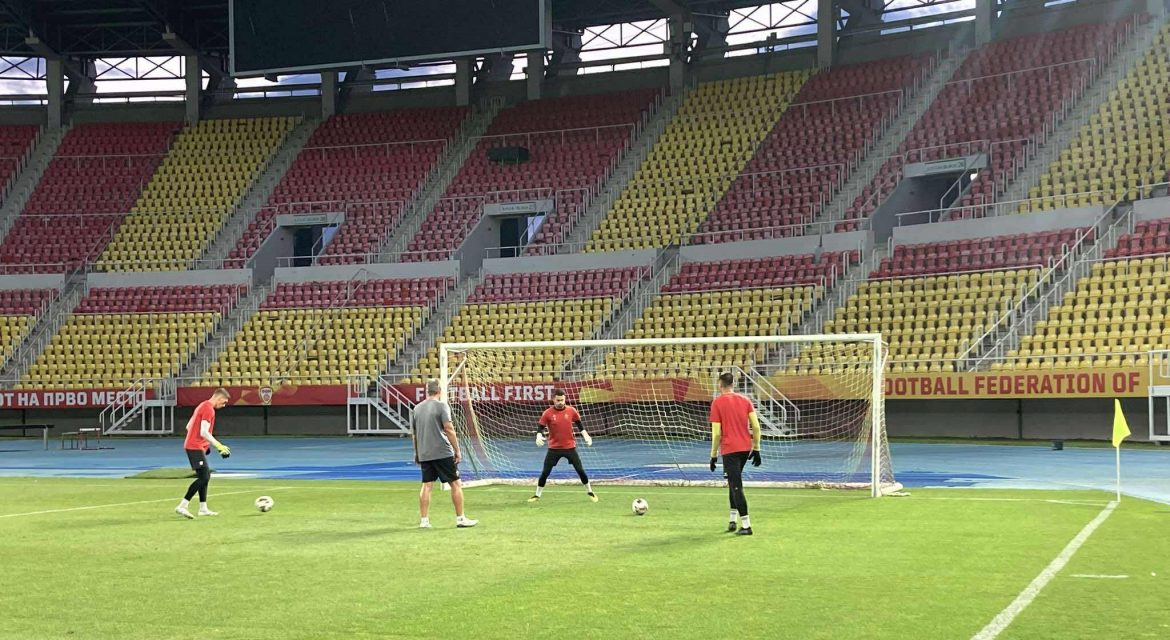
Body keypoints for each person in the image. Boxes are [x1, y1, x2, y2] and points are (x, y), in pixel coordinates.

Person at [412, 379, 477, 529]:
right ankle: (460, 518)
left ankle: (424, 521)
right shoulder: (442, 406)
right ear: (439, 390)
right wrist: (457, 450)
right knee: (455, 483)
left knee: (427, 485)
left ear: (427, 391)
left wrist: (417, 452)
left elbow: (414, 435)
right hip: (442, 451)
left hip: (425, 452)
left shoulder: (417, 408)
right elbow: (449, 429)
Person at [708, 372, 761, 535]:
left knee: (736, 485)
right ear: (733, 384)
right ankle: (732, 519)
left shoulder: (717, 403)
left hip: (730, 449)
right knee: (732, 482)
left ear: (720, 384)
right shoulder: (745, 400)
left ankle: (746, 526)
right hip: (745, 448)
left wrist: (713, 455)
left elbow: (716, 434)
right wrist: (757, 448)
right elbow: (756, 426)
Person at [529, 388, 597, 503]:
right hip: (553, 449)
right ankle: (537, 495)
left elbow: (579, 425)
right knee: (545, 472)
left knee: (580, 470)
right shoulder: (547, 413)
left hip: (570, 447)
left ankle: (590, 492)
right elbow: (540, 427)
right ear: (553, 400)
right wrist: (538, 436)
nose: (560, 402)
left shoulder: (571, 410)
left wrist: (586, 435)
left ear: (565, 399)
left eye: (562, 400)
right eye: (558, 400)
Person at [176, 388, 232, 519]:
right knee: (204, 477)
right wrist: (218, 445)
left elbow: (189, 426)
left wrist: (204, 445)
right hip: (194, 446)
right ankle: (182, 506)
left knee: (205, 476)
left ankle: (203, 508)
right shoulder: (208, 409)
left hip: (195, 446)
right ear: (218, 398)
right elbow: (204, 432)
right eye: (224, 402)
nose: (224, 405)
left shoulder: (202, 405)